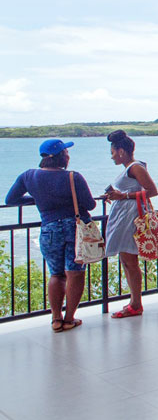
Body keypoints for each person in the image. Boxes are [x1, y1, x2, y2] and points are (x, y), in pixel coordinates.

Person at [5, 139, 95, 332]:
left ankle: (56, 319)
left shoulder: (29, 176)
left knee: (56, 274)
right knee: (75, 273)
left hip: (49, 229)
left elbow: (10, 199)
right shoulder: (73, 177)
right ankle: (69, 318)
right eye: (66, 152)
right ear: (62, 156)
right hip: (74, 229)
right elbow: (90, 204)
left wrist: (38, 200)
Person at [103, 130, 158, 319]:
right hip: (125, 216)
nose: (111, 157)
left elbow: (152, 190)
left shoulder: (135, 167)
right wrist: (116, 195)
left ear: (121, 152)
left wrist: (122, 196)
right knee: (126, 260)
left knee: (129, 261)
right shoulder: (132, 167)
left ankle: (135, 304)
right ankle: (134, 302)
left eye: (112, 152)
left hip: (129, 218)